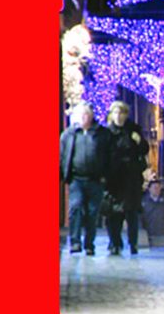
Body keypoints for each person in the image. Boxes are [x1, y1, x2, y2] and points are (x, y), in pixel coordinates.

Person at [60, 103, 113, 255]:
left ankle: (89, 243)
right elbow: (62, 155)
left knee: (92, 212)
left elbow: (108, 155)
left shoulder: (101, 134)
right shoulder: (69, 134)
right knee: (75, 208)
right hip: (76, 179)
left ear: (91, 116)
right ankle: (75, 242)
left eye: (87, 115)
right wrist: (64, 175)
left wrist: (105, 175)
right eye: (82, 115)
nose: (84, 118)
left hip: (96, 179)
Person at [103, 101, 149, 256]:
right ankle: (115, 243)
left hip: (131, 178)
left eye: (121, 113)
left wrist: (139, 141)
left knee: (131, 214)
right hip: (113, 179)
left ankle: (133, 243)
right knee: (113, 214)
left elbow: (144, 149)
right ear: (111, 115)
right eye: (116, 113)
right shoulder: (107, 133)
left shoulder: (133, 130)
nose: (118, 116)